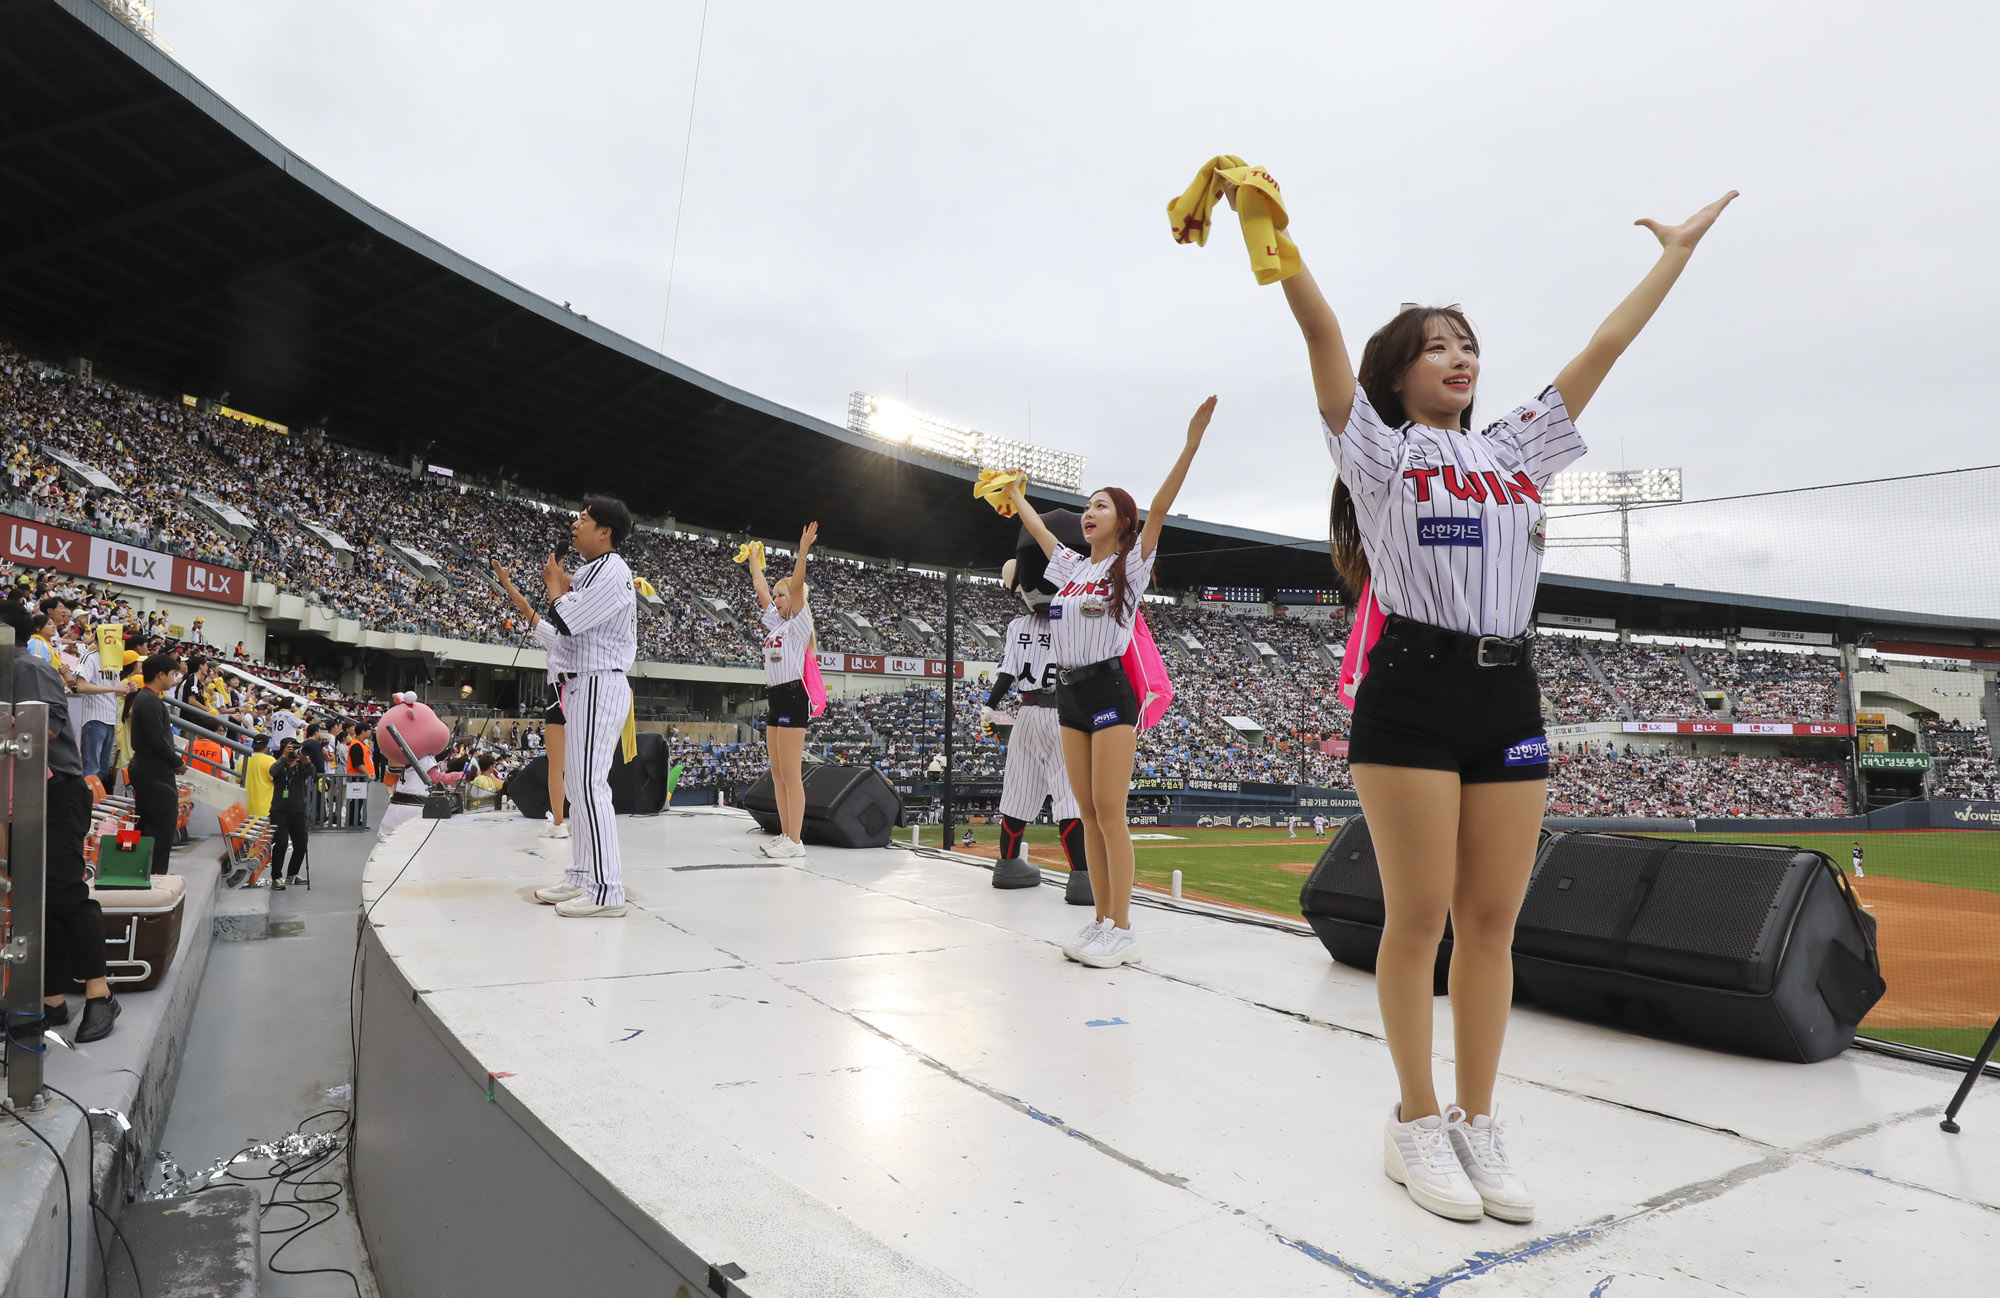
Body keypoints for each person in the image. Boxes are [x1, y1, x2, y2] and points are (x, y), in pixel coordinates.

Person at [1236, 163, 1736, 1222]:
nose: (1458, 357)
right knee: (1416, 916)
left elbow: (1601, 348)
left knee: (1492, 919)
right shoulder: (1377, 450)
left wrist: (1674, 258)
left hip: (1508, 690)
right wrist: (1278, 239)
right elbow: (1322, 340)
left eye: (1466, 342)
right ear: (1399, 373)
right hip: (1409, 688)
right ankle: (1413, 1122)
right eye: (1434, 344)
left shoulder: (1514, 448)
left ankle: (1476, 1119)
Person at [1002, 395, 1213, 970]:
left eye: (1101, 507)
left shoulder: (1129, 567)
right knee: (1087, 811)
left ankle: (1124, 927)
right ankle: (1099, 920)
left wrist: (1190, 445)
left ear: (1121, 521)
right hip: (1067, 693)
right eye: (1086, 506)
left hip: (1110, 691)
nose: (1089, 513)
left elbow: (1163, 507)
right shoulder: (1071, 570)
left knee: (1109, 810)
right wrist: (1017, 495)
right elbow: (1042, 533)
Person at [498, 496, 638, 917]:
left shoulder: (613, 571)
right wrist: (543, 595)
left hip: (599, 682)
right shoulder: (592, 572)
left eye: (583, 519)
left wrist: (554, 589)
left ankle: (607, 890)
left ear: (605, 531)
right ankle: (581, 874)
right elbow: (565, 638)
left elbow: (569, 620)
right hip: (581, 683)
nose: (575, 524)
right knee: (578, 787)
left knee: (591, 787)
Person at [3, 602, 120, 1043]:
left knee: (65, 892)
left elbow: (46, 726)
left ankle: (98, 993)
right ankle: (50, 1000)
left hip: (55, 793)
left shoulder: (26, 667)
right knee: (34, 899)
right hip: (19, 796)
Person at [985, 540, 1093, 902]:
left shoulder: (1018, 625)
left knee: (1018, 793)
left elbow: (1006, 674)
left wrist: (989, 706)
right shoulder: (1072, 620)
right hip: (1064, 714)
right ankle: (1082, 877)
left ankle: (1008, 865)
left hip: (1026, 714)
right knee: (1069, 798)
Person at [745, 522, 819, 859]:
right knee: (776, 773)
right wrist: (753, 560)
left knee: (791, 773)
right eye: (775, 596)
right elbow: (760, 586)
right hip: (775, 695)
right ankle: (785, 834)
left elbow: (799, 584)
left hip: (792, 694)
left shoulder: (800, 623)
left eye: (781, 594)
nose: (775, 599)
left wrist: (802, 551)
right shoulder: (777, 622)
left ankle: (795, 840)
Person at [125, 651, 185, 877]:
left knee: (154, 825)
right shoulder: (149, 700)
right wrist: (176, 761)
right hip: (153, 770)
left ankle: (148, 874)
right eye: (172, 674)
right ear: (160, 674)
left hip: (151, 768)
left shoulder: (149, 699)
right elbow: (156, 739)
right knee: (160, 826)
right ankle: (155, 875)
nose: (173, 678)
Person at [268, 738, 313, 889]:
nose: (293, 750)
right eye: (290, 747)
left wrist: (306, 759)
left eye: (295, 747)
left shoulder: (301, 767)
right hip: (279, 810)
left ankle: (292, 875)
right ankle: (276, 878)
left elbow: (313, 774)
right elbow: (271, 772)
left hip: (298, 809)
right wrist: (283, 757)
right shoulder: (279, 765)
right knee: (280, 844)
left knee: (301, 845)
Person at [244, 733, 276, 818]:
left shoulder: (244, 760)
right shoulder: (270, 760)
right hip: (265, 808)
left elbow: (238, 780)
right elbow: (277, 780)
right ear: (266, 746)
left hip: (246, 807)